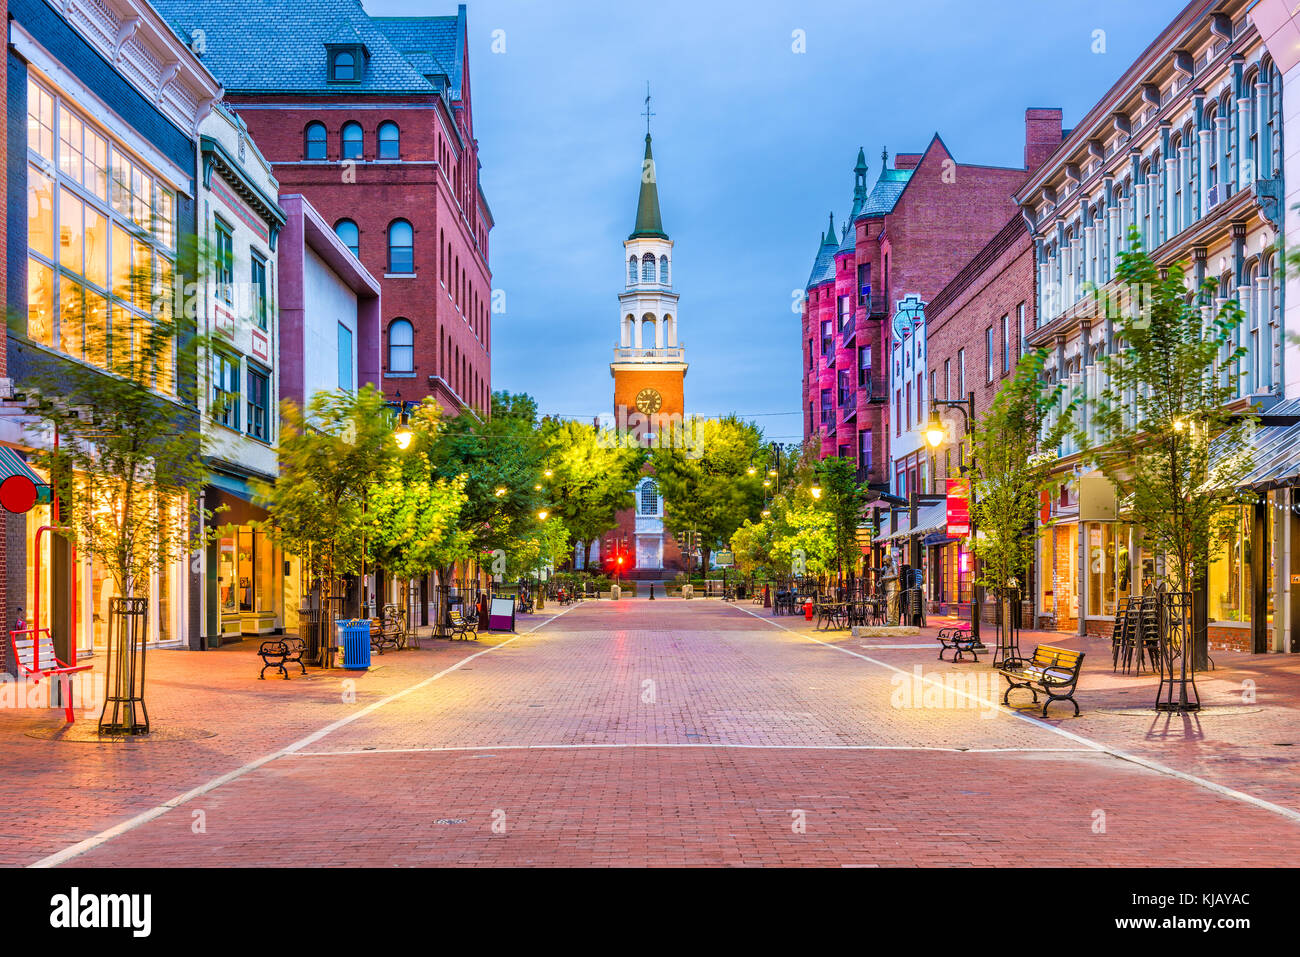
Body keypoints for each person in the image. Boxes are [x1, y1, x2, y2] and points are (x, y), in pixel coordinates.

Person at [880, 556, 899, 625]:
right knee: (894, 605)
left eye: (886, 561)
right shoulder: (886, 566)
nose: (884, 563)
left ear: (889, 560)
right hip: (889, 588)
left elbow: (896, 575)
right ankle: (895, 621)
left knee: (890, 604)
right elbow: (881, 570)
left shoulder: (894, 564)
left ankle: (890, 621)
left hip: (894, 587)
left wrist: (885, 578)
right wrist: (873, 569)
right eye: (883, 562)